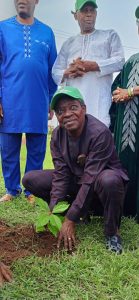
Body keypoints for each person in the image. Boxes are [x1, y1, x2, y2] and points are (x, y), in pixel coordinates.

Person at [22, 86, 129, 254]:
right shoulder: (57, 136)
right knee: (30, 179)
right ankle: (79, 213)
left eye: (73, 107)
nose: (67, 114)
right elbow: (61, 175)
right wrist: (53, 211)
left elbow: (90, 179)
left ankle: (111, 233)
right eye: (60, 111)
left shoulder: (99, 133)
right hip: (77, 181)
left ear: (83, 109)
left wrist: (71, 219)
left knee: (110, 180)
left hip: (100, 187)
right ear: (56, 116)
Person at [0, 0, 57, 203]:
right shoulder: (2, 29)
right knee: (8, 148)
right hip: (9, 100)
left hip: (38, 101)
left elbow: (53, 71)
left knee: (36, 149)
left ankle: (30, 190)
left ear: (36, 1)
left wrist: (51, 99)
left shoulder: (47, 32)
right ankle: (11, 189)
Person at [52, 0, 124, 127]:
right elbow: (55, 71)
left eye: (92, 11)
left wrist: (93, 66)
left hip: (99, 111)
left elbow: (120, 61)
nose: (89, 14)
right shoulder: (69, 43)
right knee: (74, 146)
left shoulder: (109, 36)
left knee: (98, 144)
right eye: (85, 11)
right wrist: (67, 72)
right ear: (75, 15)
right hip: (73, 113)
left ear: (96, 13)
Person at [110, 6, 139, 222]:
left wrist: (130, 92)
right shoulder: (132, 61)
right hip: (130, 134)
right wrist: (117, 95)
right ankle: (127, 207)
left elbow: (125, 91)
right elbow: (115, 90)